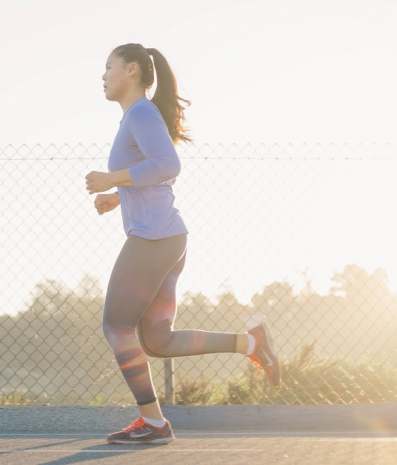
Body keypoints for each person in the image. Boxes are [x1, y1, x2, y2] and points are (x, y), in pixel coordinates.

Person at [85, 43, 280, 445]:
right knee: (157, 340)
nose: (103, 76)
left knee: (116, 326)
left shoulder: (140, 112)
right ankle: (252, 342)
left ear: (133, 71)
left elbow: (168, 165)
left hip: (154, 239)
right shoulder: (136, 117)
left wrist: (112, 179)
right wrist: (118, 196)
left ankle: (154, 423)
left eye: (109, 67)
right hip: (168, 238)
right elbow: (156, 175)